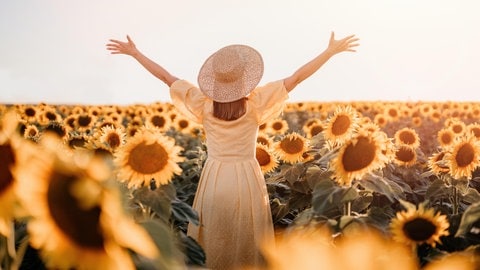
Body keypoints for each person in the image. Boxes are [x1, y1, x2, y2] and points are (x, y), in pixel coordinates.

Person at [106, 32, 359, 269]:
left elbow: (166, 77)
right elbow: (297, 77)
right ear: (244, 78)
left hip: (215, 176)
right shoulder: (256, 104)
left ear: (216, 81)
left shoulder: (203, 105)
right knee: (246, 235)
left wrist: (136, 53)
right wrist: (329, 53)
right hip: (246, 177)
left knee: (215, 233)